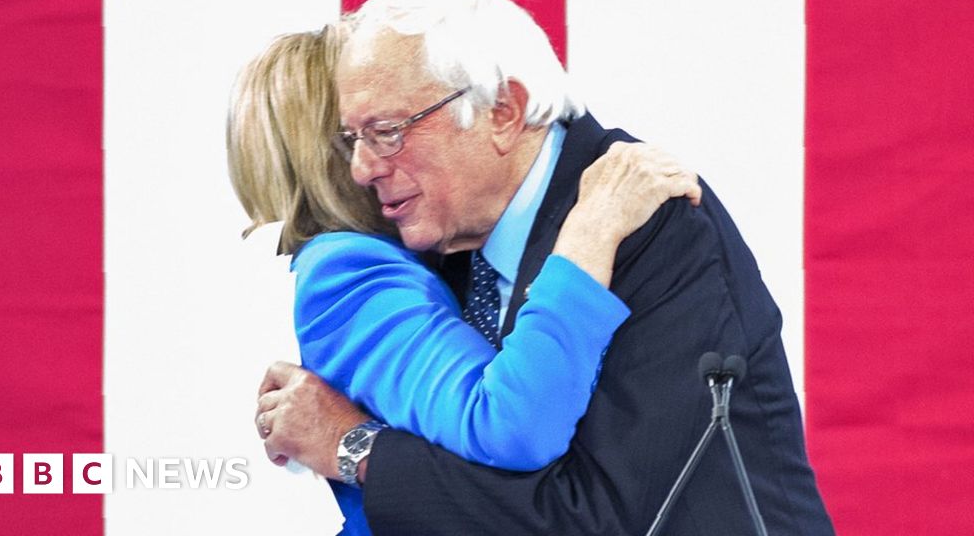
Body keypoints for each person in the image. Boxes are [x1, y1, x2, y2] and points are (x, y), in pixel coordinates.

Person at [258, 0, 836, 536]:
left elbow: (597, 517)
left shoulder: (644, 220)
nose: (362, 168)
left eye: (388, 131)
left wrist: (355, 448)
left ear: (504, 112)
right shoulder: (446, 234)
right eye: (353, 139)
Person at [228, 29, 700, 534]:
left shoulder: (422, 247)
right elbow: (510, 424)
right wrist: (589, 234)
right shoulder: (348, 268)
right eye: (377, 126)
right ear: (334, 147)